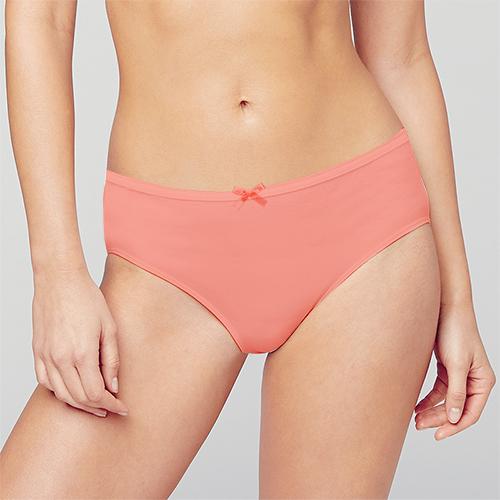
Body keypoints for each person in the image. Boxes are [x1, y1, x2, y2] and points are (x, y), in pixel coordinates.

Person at [1, 0, 496, 498]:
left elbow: (400, 57)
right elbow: (41, 21)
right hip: (166, 255)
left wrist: (457, 301)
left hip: (363, 236)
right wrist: (57, 271)